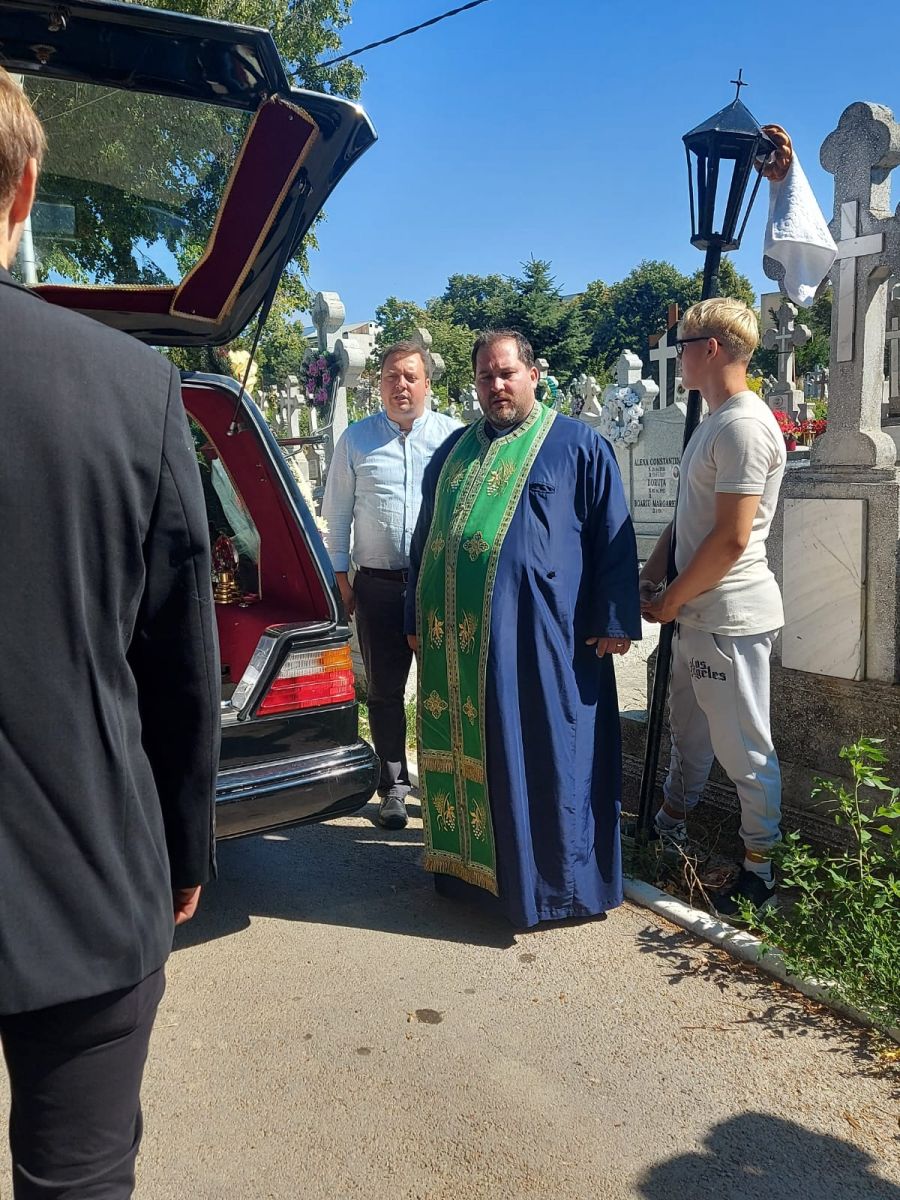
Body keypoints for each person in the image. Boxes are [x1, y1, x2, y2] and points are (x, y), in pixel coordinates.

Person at [0, 70, 219, 1198]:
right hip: (84, 887)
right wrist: (183, 850)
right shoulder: (131, 389)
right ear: (25, 191)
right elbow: (179, 661)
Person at [405, 330, 640, 928]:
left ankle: (556, 887)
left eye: (506, 373)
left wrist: (614, 618)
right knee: (486, 752)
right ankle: (473, 878)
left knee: (549, 756)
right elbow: (426, 541)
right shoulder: (453, 453)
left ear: (533, 375)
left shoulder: (577, 445)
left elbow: (612, 536)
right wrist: (415, 616)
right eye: (486, 376)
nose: (496, 386)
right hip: (463, 648)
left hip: (549, 642)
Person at [640, 297, 787, 917]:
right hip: (696, 611)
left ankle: (762, 870)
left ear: (712, 349)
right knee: (689, 733)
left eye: (684, 346)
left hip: (728, 615)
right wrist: (655, 573)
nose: (678, 357)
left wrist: (672, 599)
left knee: (743, 747)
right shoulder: (715, 421)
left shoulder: (744, 426)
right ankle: (669, 824)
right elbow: (690, 519)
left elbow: (730, 537)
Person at [322, 340, 460, 829]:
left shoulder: (453, 439)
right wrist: (340, 577)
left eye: (409, 376)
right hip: (378, 588)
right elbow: (337, 514)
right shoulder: (357, 441)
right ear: (379, 384)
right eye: (390, 376)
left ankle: (445, 788)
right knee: (384, 692)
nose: (400, 385)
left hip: (436, 587)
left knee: (444, 689)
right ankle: (394, 786)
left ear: (427, 383)